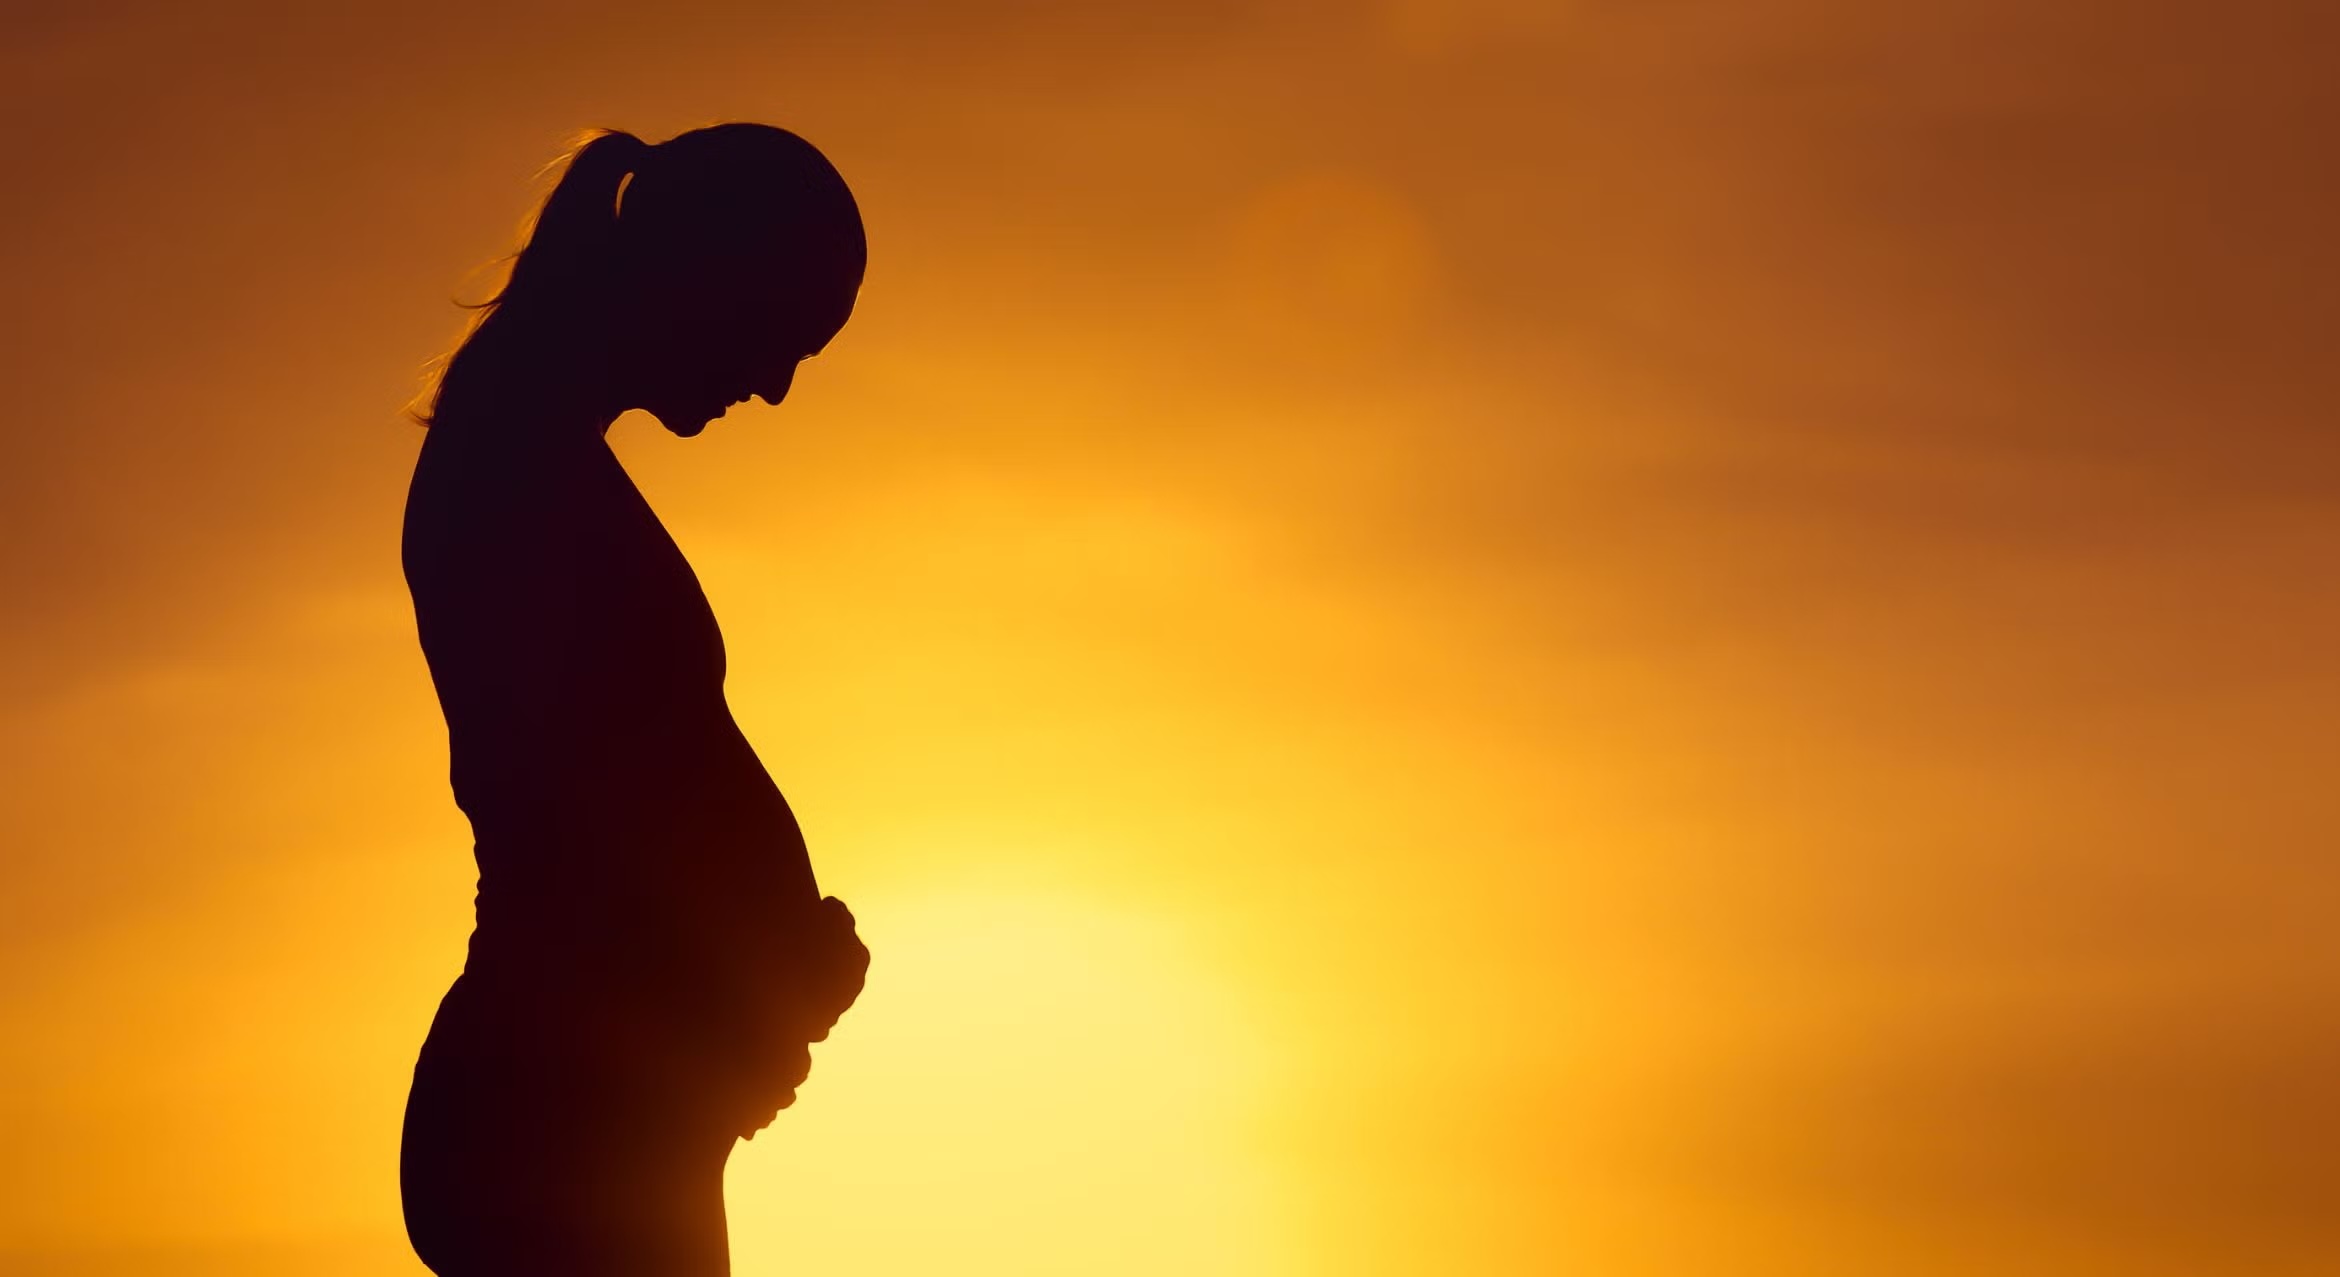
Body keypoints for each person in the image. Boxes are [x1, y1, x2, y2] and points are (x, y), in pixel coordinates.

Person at [397, 124, 872, 1276]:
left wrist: (761, 980)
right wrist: (745, 987)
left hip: (596, 1102)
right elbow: (579, 807)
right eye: (783, 332)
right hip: (560, 1111)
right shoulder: (512, 465)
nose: (773, 383)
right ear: (708, 268)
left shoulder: (531, 444)